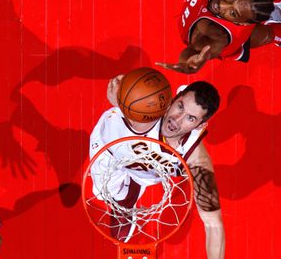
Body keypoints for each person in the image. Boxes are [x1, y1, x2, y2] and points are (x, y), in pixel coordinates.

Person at [89, 76, 224, 259]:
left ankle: (126, 197)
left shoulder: (195, 159)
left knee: (122, 193)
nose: (177, 119)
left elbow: (213, 224)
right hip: (109, 148)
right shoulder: (148, 104)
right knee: (102, 192)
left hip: (143, 169)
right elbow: (121, 92)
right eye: (180, 106)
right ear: (174, 99)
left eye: (190, 118)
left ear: (199, 125)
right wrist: (121, 101)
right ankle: (123, 198)